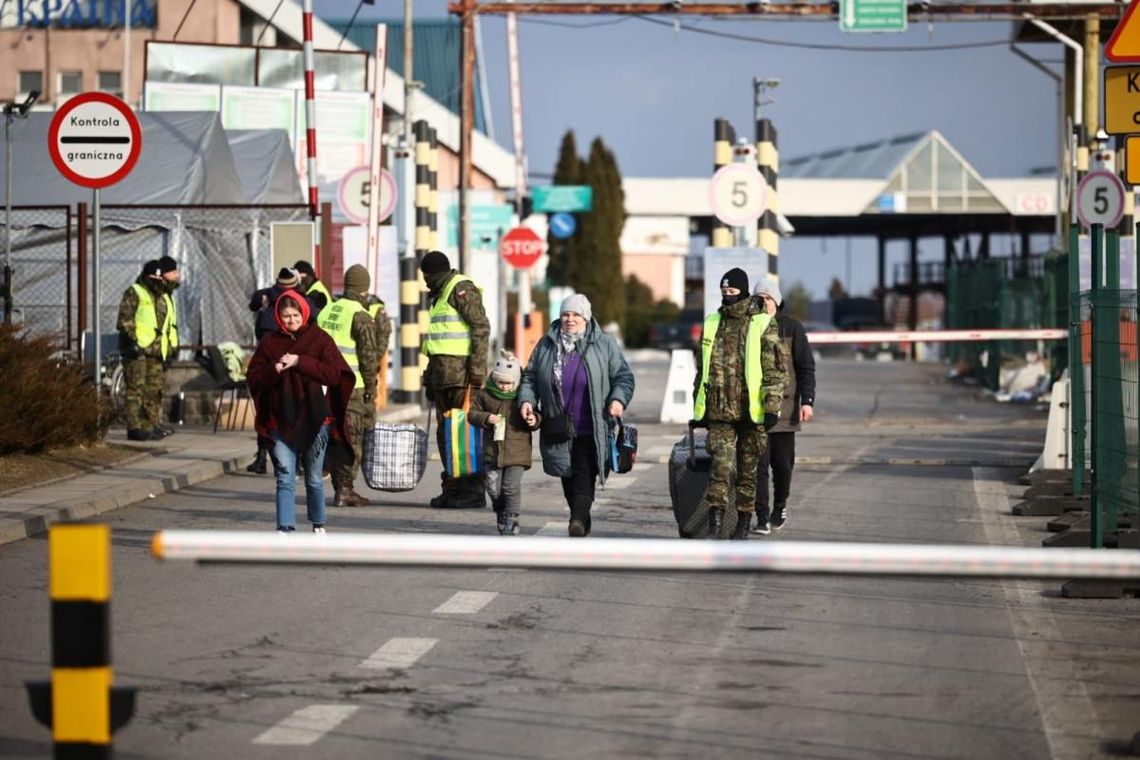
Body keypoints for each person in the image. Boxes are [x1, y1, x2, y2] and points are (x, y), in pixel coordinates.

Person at [519, 294, 635, 537]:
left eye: (575, 315)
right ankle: (581, 516)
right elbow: (530, 376)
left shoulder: (604, 344)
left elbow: (623, 377)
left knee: (584, 472)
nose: (570, 319)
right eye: (565, 314)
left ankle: (577, 520)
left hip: (592, 425)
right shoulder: (547, 344)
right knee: (567, 475)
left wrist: (617, 399)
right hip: (557, 423)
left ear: (586, 317)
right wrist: (527, 401)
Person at [246, 292, 354, 534]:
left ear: (304, 313)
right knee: (284, 475)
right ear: (278, 317)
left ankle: (318, 525)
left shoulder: (319, 339)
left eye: (295, 315)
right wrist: (273, 369)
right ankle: (285, 528)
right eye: (285, 316)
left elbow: (334, 375)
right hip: (279, 419)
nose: (291, 320)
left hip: (315, 418)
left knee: (314, 477)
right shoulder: (269, 344)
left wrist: (299, 362)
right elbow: (253, 377)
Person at [692, 268, 787, 540]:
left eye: (732, 293)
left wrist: (771, 405)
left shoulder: (761, 323)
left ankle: (743, 524)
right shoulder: (713, 322)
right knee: (719, 468)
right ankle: (715, 525)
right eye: (724, 293)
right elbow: (703, 369)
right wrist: (698, 408)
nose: (728, 298)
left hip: (751, 412)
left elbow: (775, 370)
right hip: (720, 411)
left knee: (748, 472)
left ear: (744, 293)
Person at [420, 250, 491, 510]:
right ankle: (452, 488)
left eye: (427, 276)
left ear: (434, 274)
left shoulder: (460, 289)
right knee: (446, 437)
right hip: (443, 378)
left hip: (462, 378)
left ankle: (472, 491)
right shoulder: (439, 295)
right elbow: (437, 342)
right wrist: (430, 376)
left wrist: (477, 373)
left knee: (466, 435)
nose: (426, 281)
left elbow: (481, 327)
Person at [751, 277, 815, 534]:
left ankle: (780, 504)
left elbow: (806, 367)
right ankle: (762, 517)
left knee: (782, 465)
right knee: (758, 467)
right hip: (755, 411)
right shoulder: (750, 327)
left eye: (768, 298)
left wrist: (807, 401)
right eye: (759, 298)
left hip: (785, 410)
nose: (764, 302)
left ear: (777, 301)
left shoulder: (792, 329)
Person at [317, 264, 382, 507]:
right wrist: (371, 392)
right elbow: (368, 359)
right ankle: (345, 489)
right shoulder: (361, 316)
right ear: (364, 288)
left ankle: (338, 485)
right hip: (351, 387)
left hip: (325, 384)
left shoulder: (328, 310)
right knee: (351, 437)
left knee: (333, 436)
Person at [468, 350, 541, 535]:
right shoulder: (485, 395)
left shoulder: (523, 398)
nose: (504, 387)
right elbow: (472, 414)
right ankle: (501, 511)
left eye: (508, 383)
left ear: (516, 382)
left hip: (517, 453)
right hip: (492, 452)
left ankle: (512, 518)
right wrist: (486, 417)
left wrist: (534, 420)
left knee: (510, 487)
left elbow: (538, 415)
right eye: (500, 382)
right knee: (493, 488)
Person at [245, 267, 302, 474]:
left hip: (268, 359)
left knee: (267, 410)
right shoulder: (299, 299)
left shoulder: (266, 295)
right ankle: (296, 461)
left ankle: (263, 457)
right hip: (288, 359)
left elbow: (253, 305)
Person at [116, 259, 179, 441]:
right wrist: (132, 341)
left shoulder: (160, 295)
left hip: (156, 351)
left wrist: (170, 349)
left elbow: (166, 325)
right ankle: (135, 427)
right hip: (137, 350)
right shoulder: (135, 292)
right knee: (135, 389)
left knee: (153, 390)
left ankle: (149, 425)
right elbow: (125, 319)